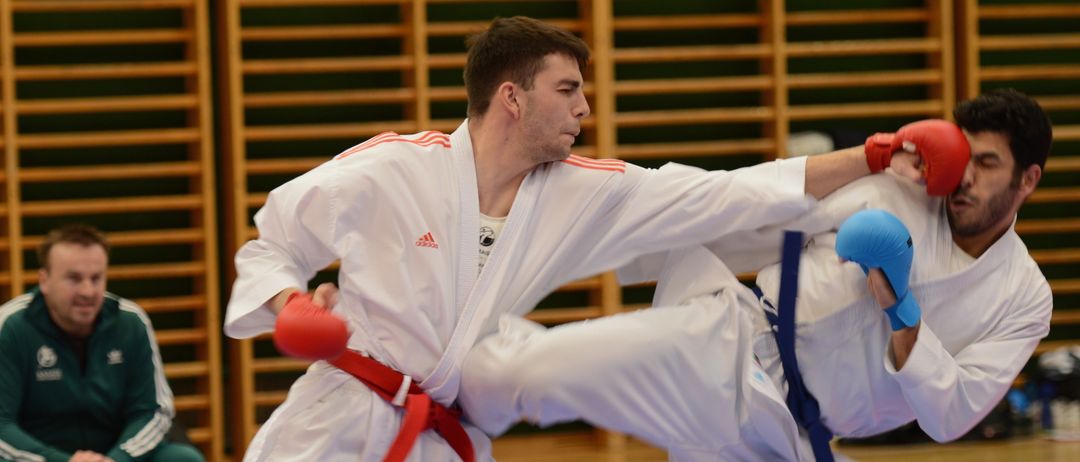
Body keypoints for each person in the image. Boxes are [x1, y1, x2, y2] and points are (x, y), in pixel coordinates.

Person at [222, 16, 966, 462]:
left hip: (445, 436)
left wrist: (873, 155)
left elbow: (727, 191)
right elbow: (270, 243)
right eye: (568, 89)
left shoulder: (583, 191)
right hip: (337, 419)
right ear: (512, 98)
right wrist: (291, 306)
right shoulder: (392, 168)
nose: (585, 106)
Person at [458, 88, 1053, 461]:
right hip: (727, 346)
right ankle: (440, 388)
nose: (965, 177)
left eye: (988, 164)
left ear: (1027, 180)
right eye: (965, 157)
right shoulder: (899, 192)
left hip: (796, 437)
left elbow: (952, 416)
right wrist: (868, 158)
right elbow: (758, 210)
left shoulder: (1024, 299)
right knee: (532, 371)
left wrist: (902, 312)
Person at [0, 224, 205, 462]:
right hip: (41, 457)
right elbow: (2, 424)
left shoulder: (130, 322)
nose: (87, 291)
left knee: (183, 458)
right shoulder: (11, 325)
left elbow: (152, 412)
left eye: (96, 278)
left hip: (114, 455)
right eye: (74, 279)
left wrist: (118, 458)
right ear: (44, 280)